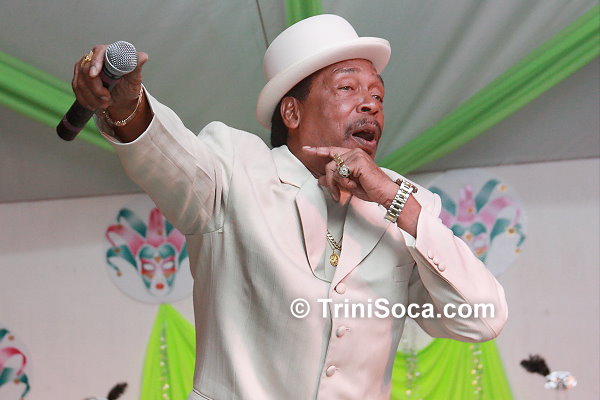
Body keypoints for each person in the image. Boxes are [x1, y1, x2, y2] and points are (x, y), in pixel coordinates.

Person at [72, 14, 507, 400]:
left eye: (378, 95)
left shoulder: (404, 205)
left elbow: (481, 319)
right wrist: (126, 105)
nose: (370, 104)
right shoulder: (236, 167)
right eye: (347, 88)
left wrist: (396, 202)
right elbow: (169, 157)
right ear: (292, 113)